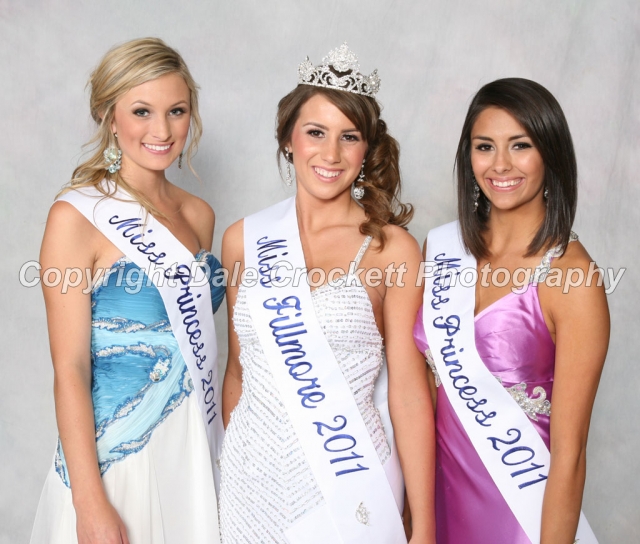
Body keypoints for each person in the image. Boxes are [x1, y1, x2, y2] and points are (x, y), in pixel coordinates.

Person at [219, 44, 436, 543]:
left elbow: (408, 392)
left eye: (349, 137)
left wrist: (422, 523)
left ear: (367, 150)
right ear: (289, 139)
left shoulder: (391, 249)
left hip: (349, 480)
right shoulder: (243, 240)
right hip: (249, 490)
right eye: (315, 132)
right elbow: (238, 371)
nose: (331, 154)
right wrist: (232, 463)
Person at [30, 38, 224, 544]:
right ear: (109, 116)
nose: (162, 131)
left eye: (176, 111)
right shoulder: (77, 216)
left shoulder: (199, 215)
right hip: (118, 460)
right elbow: (69, 367)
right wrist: (89, 503)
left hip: (192, 450)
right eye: (142, 111)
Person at [414, 78, 610, 543]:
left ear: (550, 154)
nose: (500, 165)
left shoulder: (572, 279)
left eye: (520, 145)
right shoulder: (440, 248)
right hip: (438, 506)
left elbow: (571, 455)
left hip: (520, 516)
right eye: (485, 147)